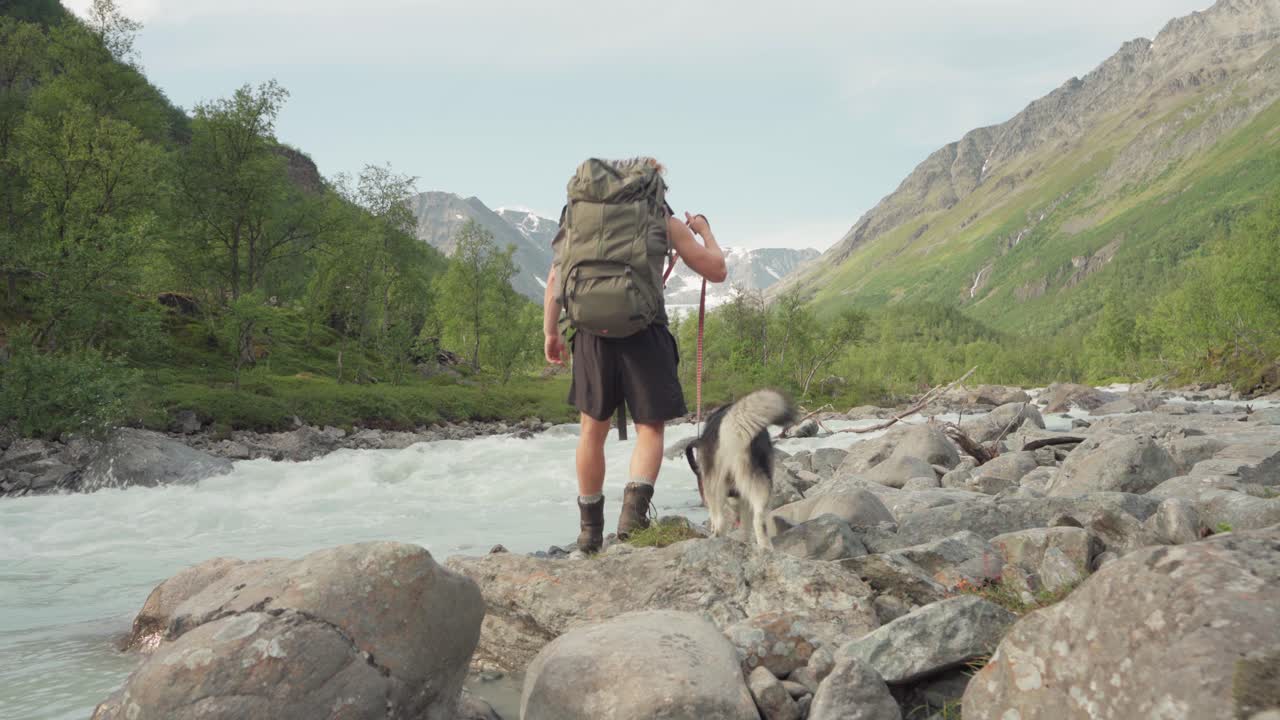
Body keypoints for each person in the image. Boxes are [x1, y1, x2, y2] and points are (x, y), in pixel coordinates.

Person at [542, 159, 727, 553]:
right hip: (645, 331)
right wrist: (705, 231)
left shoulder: (579, 218)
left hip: (591, 335)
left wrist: (551, 331)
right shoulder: (661, 217)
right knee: (650, 429)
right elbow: (716, 271)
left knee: (592, 431)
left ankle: (589, 533)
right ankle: (632, 522)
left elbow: (556, 278)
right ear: (653, 183)